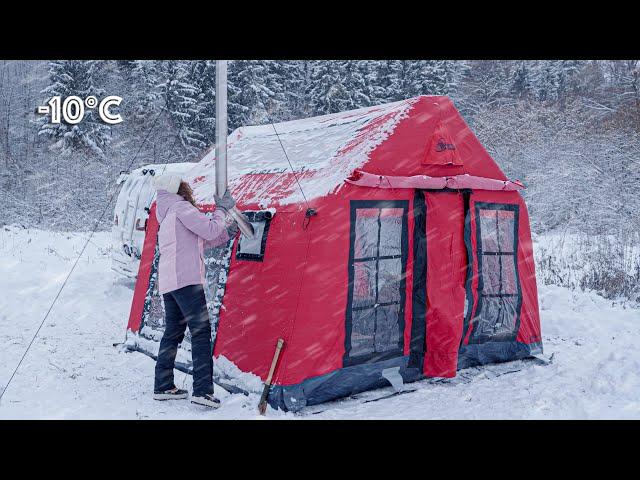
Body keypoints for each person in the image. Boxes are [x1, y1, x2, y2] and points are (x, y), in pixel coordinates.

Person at [151, 174, 238, 408]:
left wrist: (225, 228)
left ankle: (163, 384)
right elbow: (209, 230)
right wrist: (222, 209)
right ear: (178, 189)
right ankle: (202, 391)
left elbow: (202, 239)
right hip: (187, 280)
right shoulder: (181, 208)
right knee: (200, 332)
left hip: (170, 283)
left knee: (173, 332)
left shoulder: (167, 213)